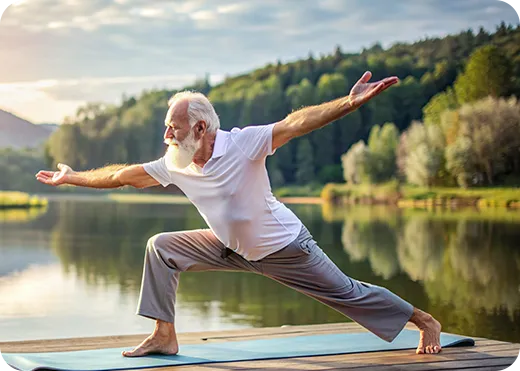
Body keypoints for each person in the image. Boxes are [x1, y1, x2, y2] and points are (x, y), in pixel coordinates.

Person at [36, 71, 442, 357]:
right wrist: (73, 179)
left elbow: (295, 124)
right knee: (161, 247)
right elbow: (123, 176)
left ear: (199, 128)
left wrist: (348, 103)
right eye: (166, 128)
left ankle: (424, 321)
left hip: (285, 249)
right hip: (229, 246)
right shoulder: (176, 162)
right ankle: (163, 335)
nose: (166, 136)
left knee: (349, 294)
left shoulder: (244, 143)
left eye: (173, 128)